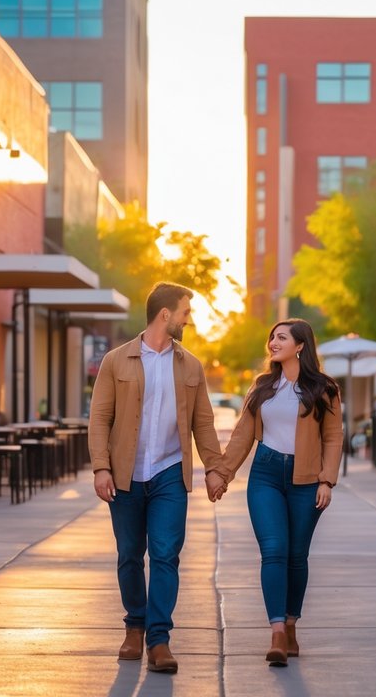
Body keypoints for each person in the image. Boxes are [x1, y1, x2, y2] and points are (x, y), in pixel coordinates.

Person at [87, 282, 226, 674]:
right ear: (165, 314)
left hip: (168, 472)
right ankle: (135, 625)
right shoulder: (117, 361)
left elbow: (204, 423)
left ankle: (159, 639)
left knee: (165, 555)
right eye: (185, 311)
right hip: (126, 474)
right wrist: (101, 466)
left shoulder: (191, 365)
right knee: (130, 554)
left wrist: (215, 468)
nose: (188, 319)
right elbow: (99, 419)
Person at [211, 318, 342, 666]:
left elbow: (333, 437)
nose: (273, 342)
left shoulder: (323, 388)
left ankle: (291, 623)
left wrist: (327, 480)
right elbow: (241, 435)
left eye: (281, 337)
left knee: (297, 555)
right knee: (274, 550)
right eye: (272, 336)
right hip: (266, 474)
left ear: (300, 346)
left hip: (306, 480)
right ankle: (277, 633)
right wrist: (222, 474)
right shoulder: (263, 386)